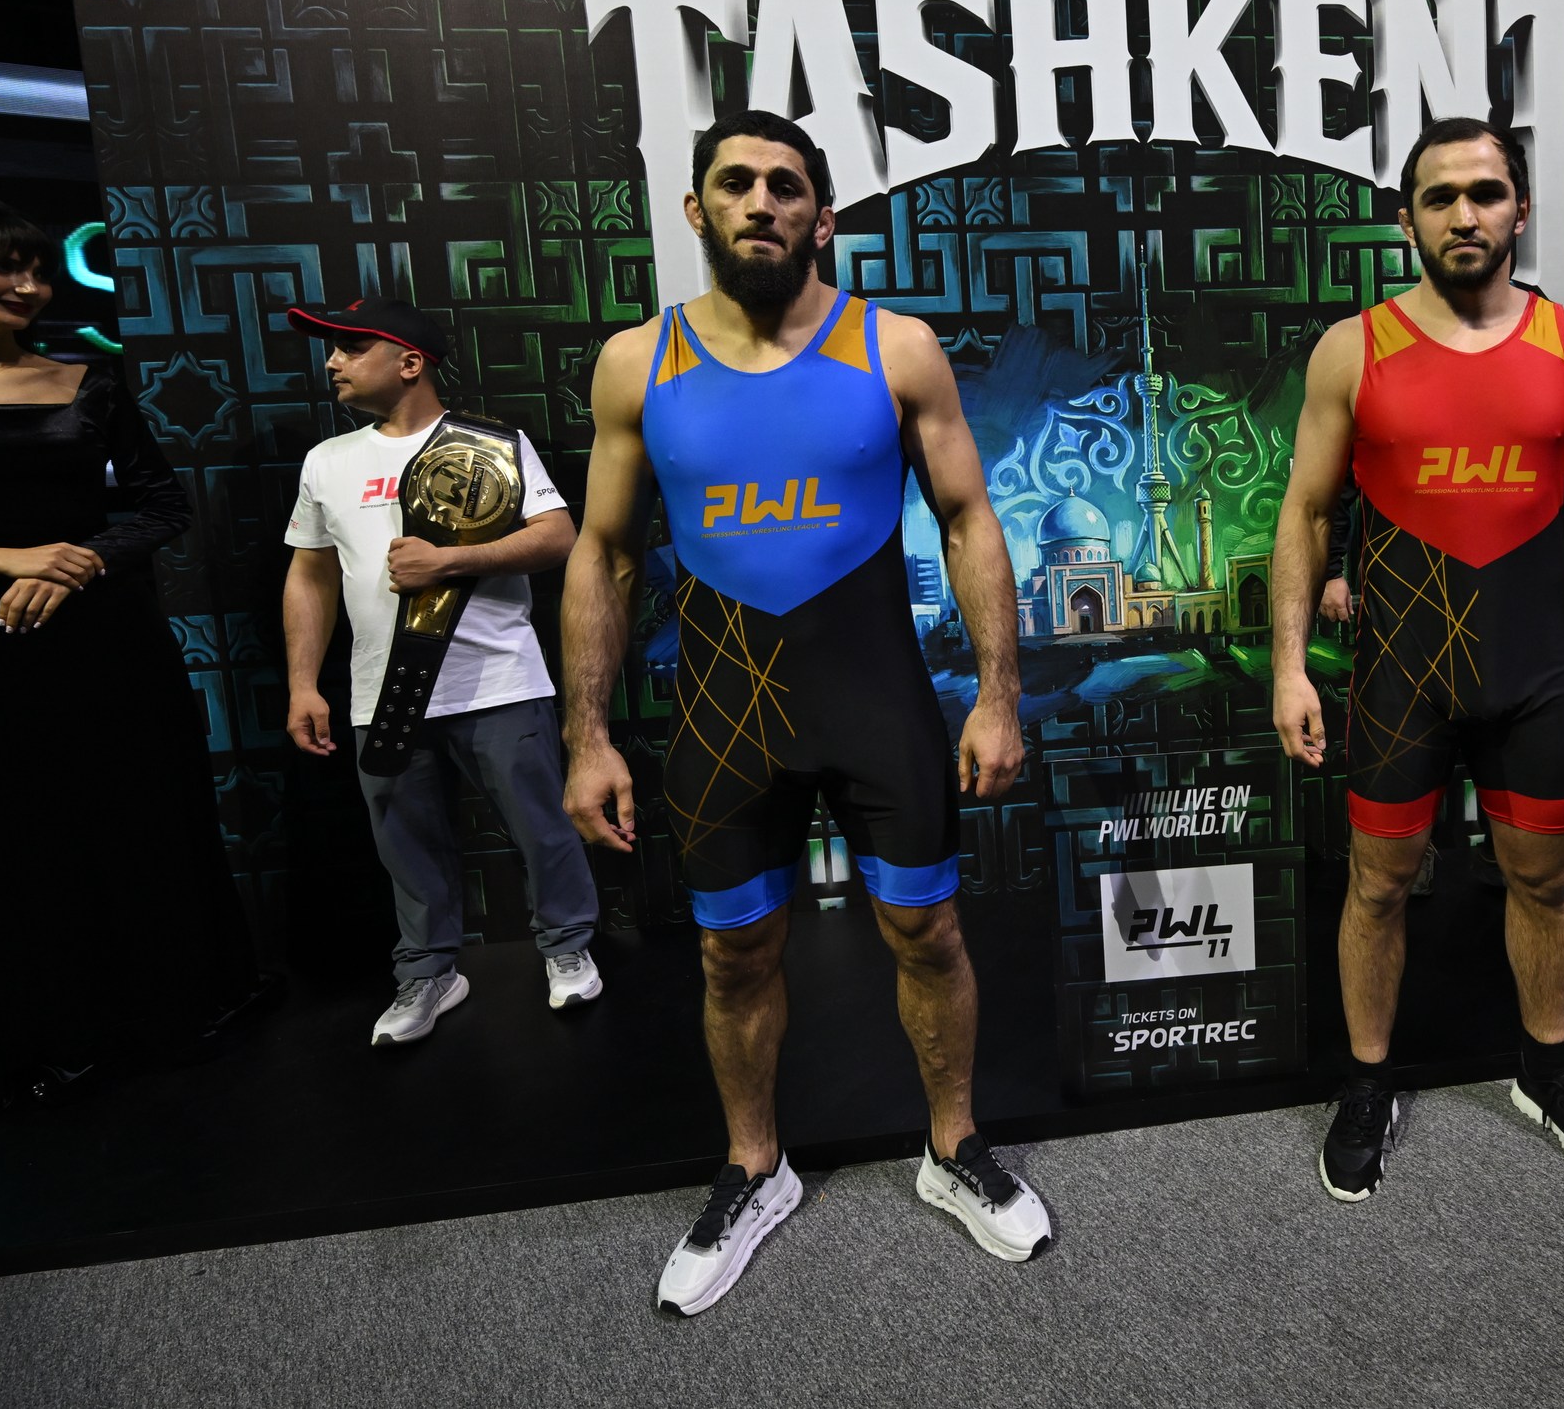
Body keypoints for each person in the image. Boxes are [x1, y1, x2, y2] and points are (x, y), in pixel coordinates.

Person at [561, 109, 1042, 1315]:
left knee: (927, 934)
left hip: (875, 699)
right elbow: (602, 553)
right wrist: (587, 736)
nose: (761, 203)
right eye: (736, 183)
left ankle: (952, 1148)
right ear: (697, 210)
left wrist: (998, 696)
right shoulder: (637, 363)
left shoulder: (895, 347)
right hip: (723, 717)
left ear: (821, 218)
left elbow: (969, 518)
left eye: (786, 186)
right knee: (733, 954)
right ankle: (753, 1166)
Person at [1271, 116, 1564, 1202]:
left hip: (1534, 673)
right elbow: (1306, 514)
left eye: (1485, 193)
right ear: (1406, 220)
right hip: (1399, 681)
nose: (1464, 214)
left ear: (1520, 210)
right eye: (1439, 196)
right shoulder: (1352, 349)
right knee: (1378, 884)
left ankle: (1547, 1068)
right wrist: (1289, 665)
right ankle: (1367, 1081)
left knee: (1545, 881)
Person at [0, 196, 261, 1155]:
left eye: (37, 269)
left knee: (134, 822)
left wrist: (79, 561)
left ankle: (162, 1015)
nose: (29, 285)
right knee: (12, 844)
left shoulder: (90, 382)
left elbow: (161, 505)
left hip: (107, 647)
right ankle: (44, 1039)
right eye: (3, 265)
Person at [280, 297, 602, 1046]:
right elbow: (309, 575)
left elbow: (558, 536)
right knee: (406, 844)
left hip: (499, 681)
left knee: (541, 828)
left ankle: (567, 947)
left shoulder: (494, 443)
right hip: (380, 691)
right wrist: (302, 683)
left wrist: (451, 560)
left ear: (409, 361)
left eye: (350, 347)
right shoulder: (327, 460)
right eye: (332, 348)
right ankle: (428, 971)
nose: (332, 361)